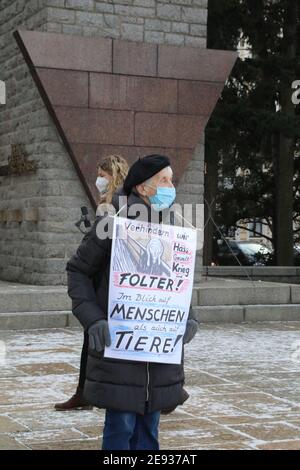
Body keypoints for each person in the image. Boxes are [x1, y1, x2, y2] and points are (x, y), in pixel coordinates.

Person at [65, 154, 199, 449]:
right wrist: (93, 319)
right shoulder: (112, 220)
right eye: (164, 180)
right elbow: (78, 271)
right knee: (121, 426)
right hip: (120, 349)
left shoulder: (174, 226)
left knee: (150, 431)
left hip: (159, 353)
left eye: (171, 180)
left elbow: (175, 283)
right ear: (142, 187)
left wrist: (188, 317)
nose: (170, 186)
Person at [54, 154, 129, 411]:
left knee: (96, 341)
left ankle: (86, 393)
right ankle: (84, 392)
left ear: (114, 175)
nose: (98, 179)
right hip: (99, 276)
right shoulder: (108, 202)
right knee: (93, 338)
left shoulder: (121, 203)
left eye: (102, 175)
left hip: (110, 281)